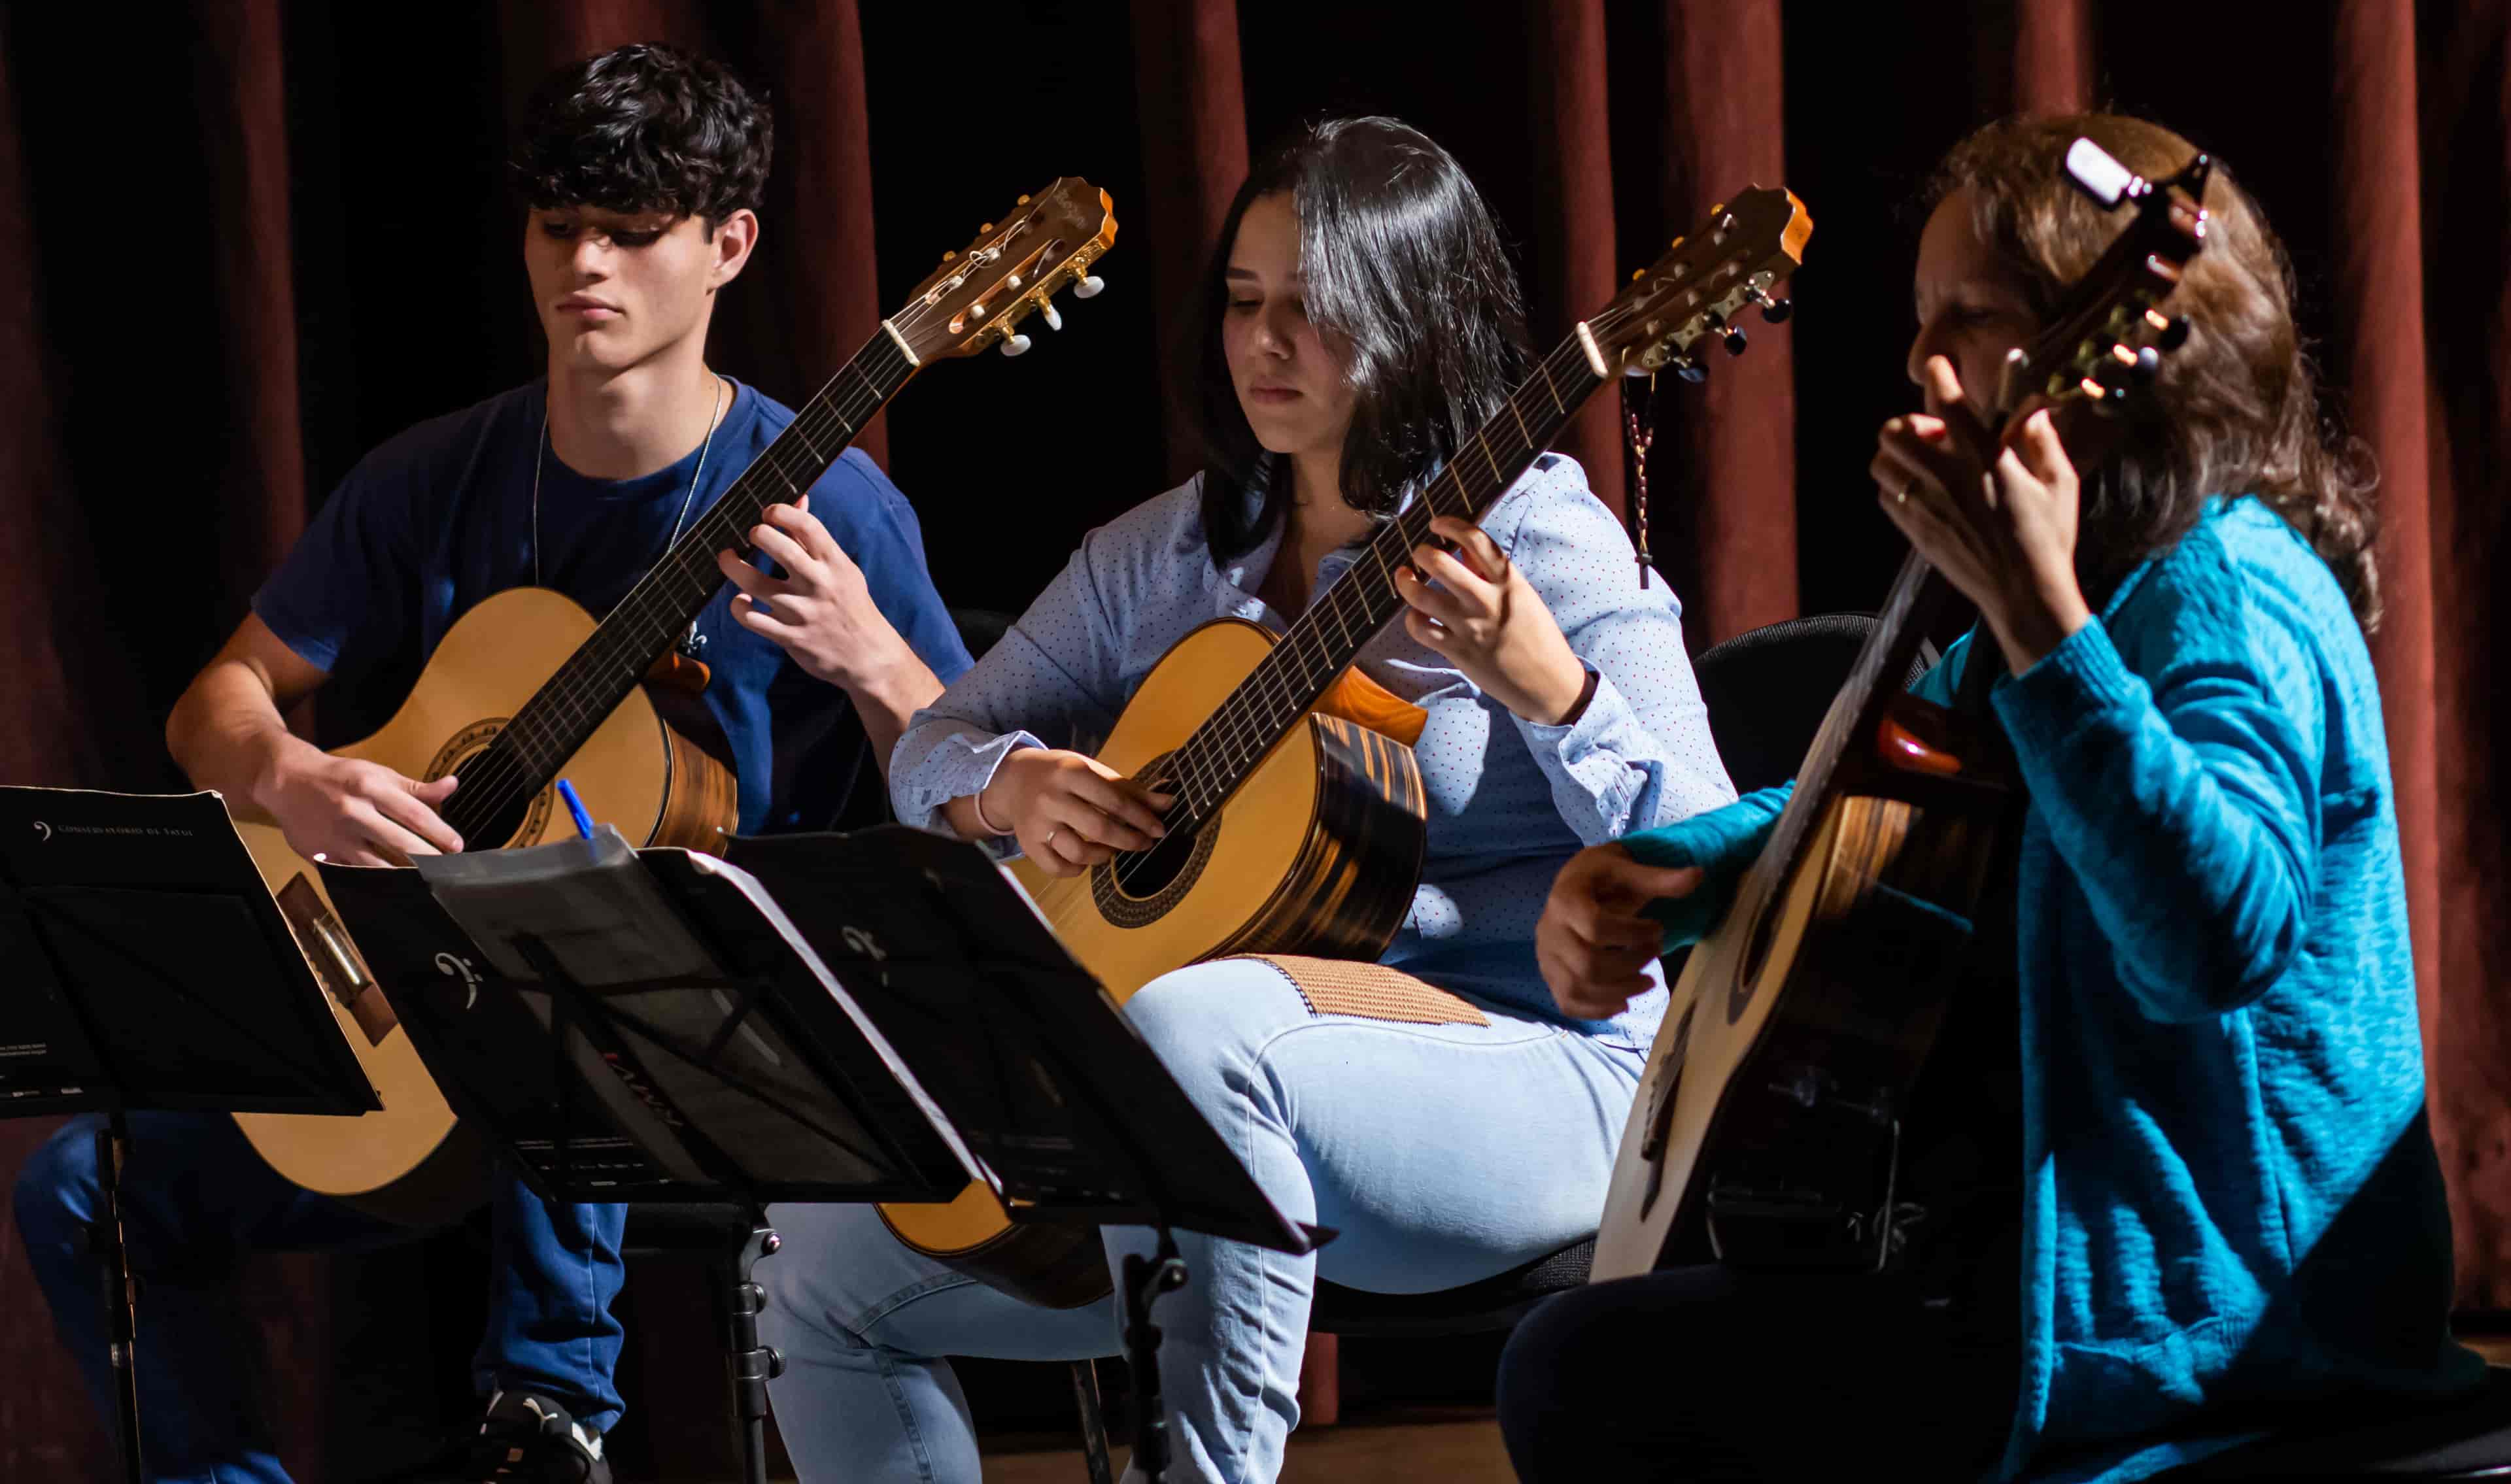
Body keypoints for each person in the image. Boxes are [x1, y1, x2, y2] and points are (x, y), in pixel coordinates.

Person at [10, 42, 970, 1484]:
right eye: (556, 225)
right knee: (88, 1187)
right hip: (424, 1034)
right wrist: (288, 776)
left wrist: (878, 666)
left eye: (632, 233)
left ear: (729, 247)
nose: (584, 262)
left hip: (711, 1044)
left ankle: (548, 1423)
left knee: (568, 942)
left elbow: (973, 823)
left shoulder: (830, 506)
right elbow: (218, 701)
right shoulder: (441, 476)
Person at [748, 114, 1736, 1483]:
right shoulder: (1161, 553)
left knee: (1199, 1023)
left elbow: (1713, 851)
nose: (1265, 345)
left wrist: (1550, 689)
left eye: (1313, 310)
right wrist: (1009, 786)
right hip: (1208, 1110)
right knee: (814, 1247)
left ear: (1414, 320)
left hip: (1543, 1077)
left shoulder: (1541, 536)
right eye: (1243, 301)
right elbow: (938, 747)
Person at [1499, 111, 2479, 1483]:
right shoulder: (2098, 588)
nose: (1916, 359)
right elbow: (1857, 804)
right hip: (2064, 1285)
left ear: (2123, 342)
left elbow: (2215, 944)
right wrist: (1670, 875)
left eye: (1966, 314)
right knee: (1596, 1344)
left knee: (1584, 1373)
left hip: (2229, 1318)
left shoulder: (2233, 588)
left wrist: (2041, 620)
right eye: (1918, 317)